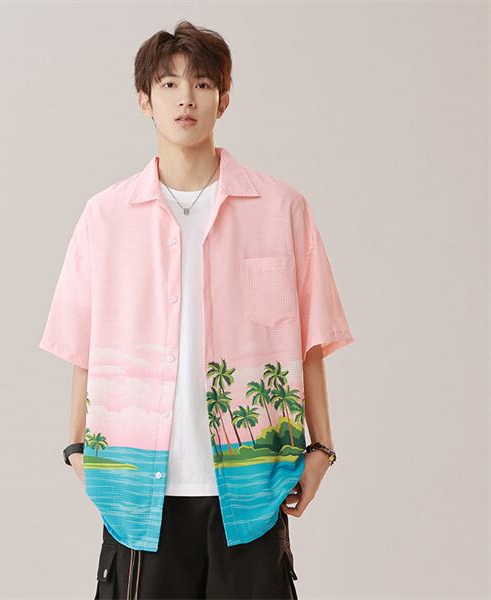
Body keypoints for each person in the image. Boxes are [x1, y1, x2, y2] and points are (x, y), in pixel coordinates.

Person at [39, 20, 354, 600]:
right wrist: (76, 448)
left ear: (223, 99)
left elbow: (310, 339)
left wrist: (322, 448)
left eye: (203, 84)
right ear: (144, 100)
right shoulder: (106, 217)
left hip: (253, 489)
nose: (186, 98)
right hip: (139, 497)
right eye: (168, 84)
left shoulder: (280, 209)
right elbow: (82, 344)